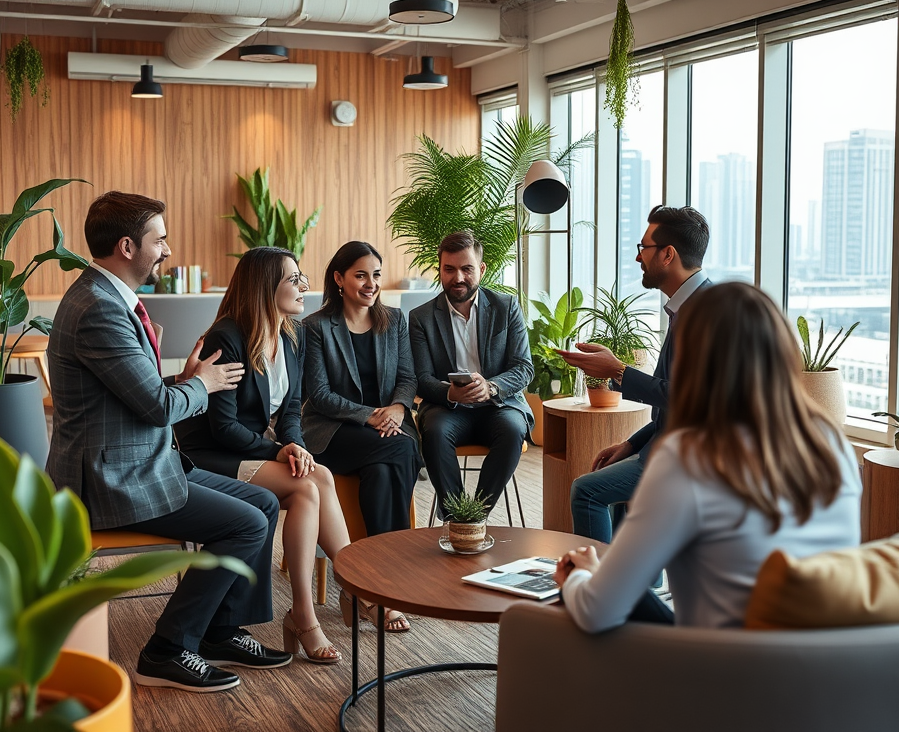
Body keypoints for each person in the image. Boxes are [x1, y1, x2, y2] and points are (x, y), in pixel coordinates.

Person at [46, 191, 291, 693]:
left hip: (147, 461)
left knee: (264, 504)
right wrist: (204, 385)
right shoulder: (99, 309)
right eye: (159, 239)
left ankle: (219, 630)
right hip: (112, 479)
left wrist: (186, 379)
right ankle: (167, 650)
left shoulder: (110, 297)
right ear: (127, 246)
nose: (167, 249)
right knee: (245, 524)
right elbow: (159, 407)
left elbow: (142, 396)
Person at [553, 282, 862, 631]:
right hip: (825, 665)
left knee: (576, 605)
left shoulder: (690, 455)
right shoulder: (830, 443)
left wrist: (581, 578)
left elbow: (598, 613)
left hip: (724, 670)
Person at [176, 247, 350, 664]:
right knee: (306, 489)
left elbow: (291, 409)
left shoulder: (293, 333)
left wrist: (296, 445)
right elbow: (223, 427)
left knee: (319, 476)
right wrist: (278, 448)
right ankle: (305, 615)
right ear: (264, 287)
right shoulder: (228, 337)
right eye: (293, 279)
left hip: (249, 447)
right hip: (210, 453)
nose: (304, 285)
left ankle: (355, 588)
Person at [557, 205, 711, 543]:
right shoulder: (687, 306)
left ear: (668, 254)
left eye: (644, 248)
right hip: (669, 443)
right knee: (617, 490)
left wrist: (617, 370)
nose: (639, 258)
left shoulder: (705, 313)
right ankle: (640, 586)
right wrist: (631, 444)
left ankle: (602, 590)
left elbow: (690, 401)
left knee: (586, 491)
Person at [302, 241, 419, 632]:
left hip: (388, 427)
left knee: (386, 468)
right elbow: (319, 395)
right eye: (361, 275)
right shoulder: (317, 327)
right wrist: (371, 416)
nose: (371, 284)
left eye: (376, 275)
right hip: (335, 431)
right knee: (401, 448)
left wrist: (399, 409)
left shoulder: (394, 321)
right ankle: (387, 583)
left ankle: (365, 587)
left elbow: (406, 378)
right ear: (339, 278)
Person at [409, 231, 533, 518]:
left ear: (482, 269)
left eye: (467, 268)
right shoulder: (421, 317)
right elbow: (421, 376)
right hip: (448, 408)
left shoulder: (507, 307)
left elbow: (524, 367)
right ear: (439, 269)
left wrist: (490, 387)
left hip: (499, 405)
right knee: (435, 432)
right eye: (449, 269)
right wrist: (449, 393)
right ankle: (456, 515)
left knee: (513, 429)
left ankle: (474, 515)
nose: (459, 277)